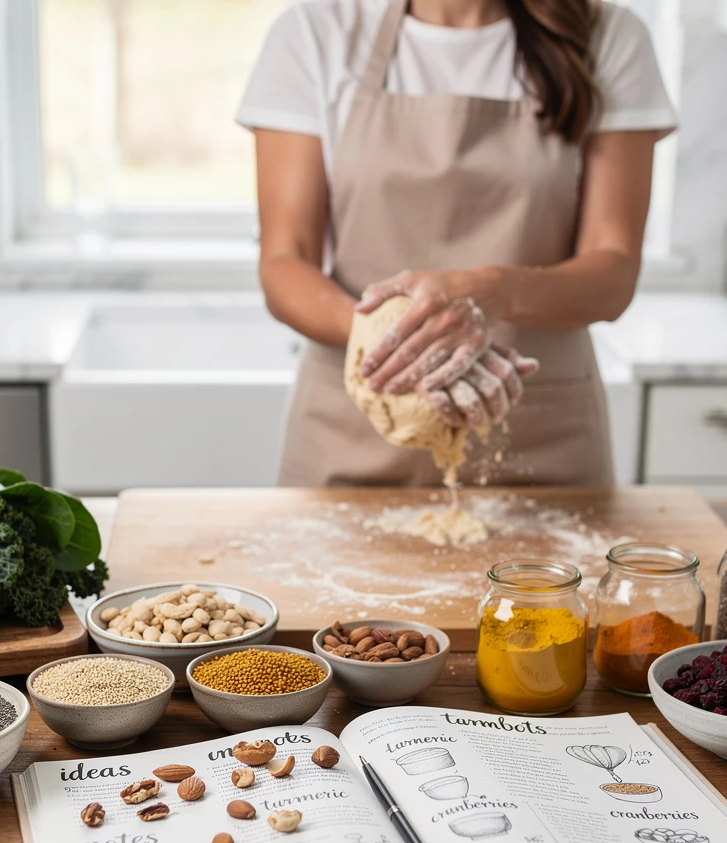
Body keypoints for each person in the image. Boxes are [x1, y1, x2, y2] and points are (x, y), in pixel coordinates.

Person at [237, 0, 676, 489]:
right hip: (351, 433)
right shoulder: (316, 35)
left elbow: (612, 273)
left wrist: (492, 290)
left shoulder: (606, 35)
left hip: (540, 436)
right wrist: (399, 343)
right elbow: (284, 263)